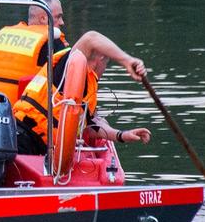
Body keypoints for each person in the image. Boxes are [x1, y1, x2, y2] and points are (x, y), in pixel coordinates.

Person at [13, 30, 152, 156]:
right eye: (106, 64)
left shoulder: (88, 87)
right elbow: (90, 38)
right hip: (23, 137)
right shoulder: (68, 68)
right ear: (100, 59)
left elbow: (91, 127)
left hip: (43, 148)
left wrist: (122, 135)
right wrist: (127, 61)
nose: (104, 70)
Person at [0, 0, 70, 104]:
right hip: (26, 113)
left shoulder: (3, 35)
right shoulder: (52, 40)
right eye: (58, 17)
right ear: (43, 18)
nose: (62, 22)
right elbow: (68, 79)